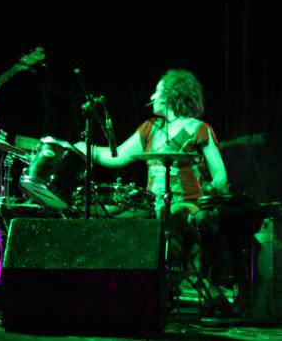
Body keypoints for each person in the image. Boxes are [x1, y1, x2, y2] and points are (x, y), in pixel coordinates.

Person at [75, 69, 229, 299]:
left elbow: (220, 175)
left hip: (187, 206)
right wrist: (89, 150)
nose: (152, 97)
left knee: (170, 215)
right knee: (109, 214)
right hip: (152, 206)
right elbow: (118, 157)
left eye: (157, 91)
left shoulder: (200, 129)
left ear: (171, 94)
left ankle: (176, 284)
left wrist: (213, 188)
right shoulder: (150, 127)